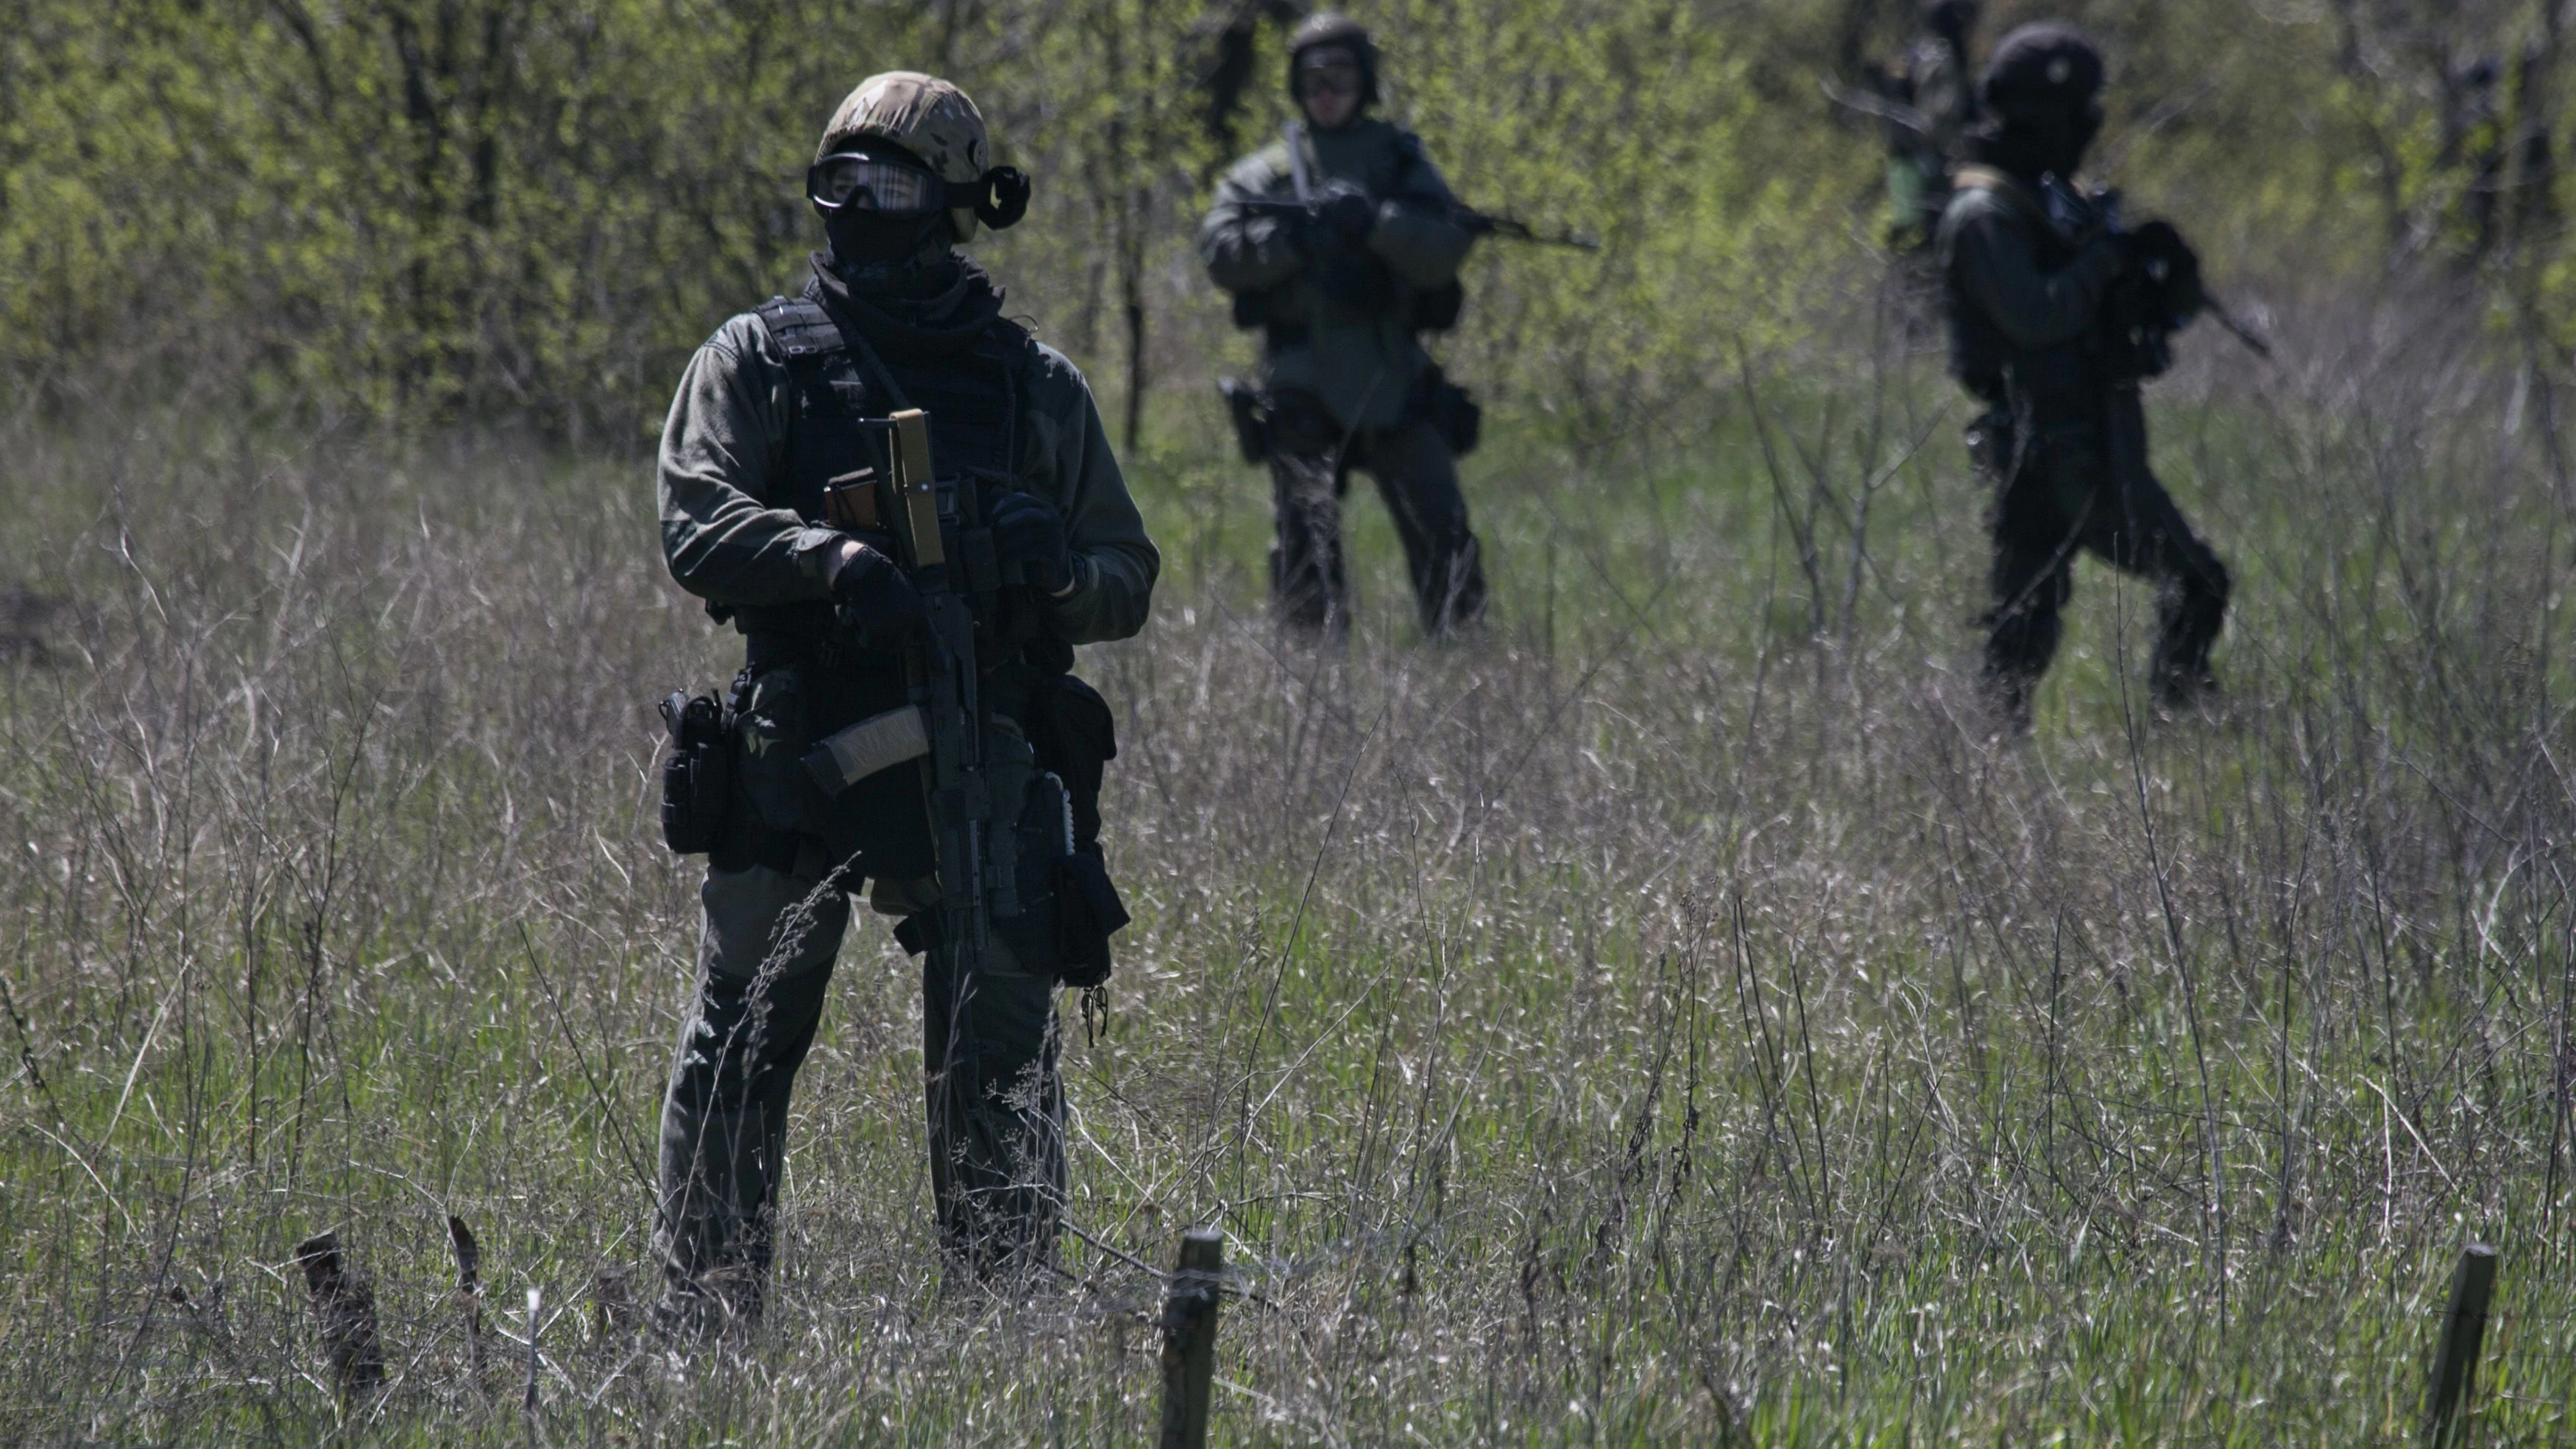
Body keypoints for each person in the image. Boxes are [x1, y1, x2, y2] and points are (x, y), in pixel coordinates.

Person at [650, 71, 1159, 1330]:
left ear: (956, 205)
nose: (860, 209)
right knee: (740, 1040)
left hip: (981, 745)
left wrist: (1052, 566)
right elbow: (694, 516)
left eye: (890, 186)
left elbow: (1127, 575)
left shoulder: (1032, 384)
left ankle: (1005, 1323)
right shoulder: (760, 357)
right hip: (799, 740)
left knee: (1000, 1051)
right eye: (840, 184)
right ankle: (703, 1325)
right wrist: (827, 558)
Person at [1936, 23, 2230, 734]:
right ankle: (2176, 727)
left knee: (2030, 617)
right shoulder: (1985, 214)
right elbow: (2038, 314)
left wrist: (2153, 269)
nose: (2088, 129)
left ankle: (2001, 759)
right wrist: (2103, 258)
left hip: (2087, 430)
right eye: (2076, 114)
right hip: (2052, 445)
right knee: (2183, 584)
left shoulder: (2043, 199)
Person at [1198, 12, 1487, 640]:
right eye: (1312, 78)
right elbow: (1219, 248)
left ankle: (1466, 653)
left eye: (1341, 76)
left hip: (1395, 376)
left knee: (1442, 523)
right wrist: (1293, 239)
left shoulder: (1401, 161)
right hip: (1302, 378)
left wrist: (1377, 224)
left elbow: (1448, 244)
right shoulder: (1268, 169)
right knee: (1305, 540)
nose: (1326, 91)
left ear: (1367, 82)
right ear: (1296, 87)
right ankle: (1311, 674)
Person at [1883, 0, 1982, 252]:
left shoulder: (1923, 52)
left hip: (1926, 163)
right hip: (1940, 166)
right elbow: (1943, 115)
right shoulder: (1943, 56)